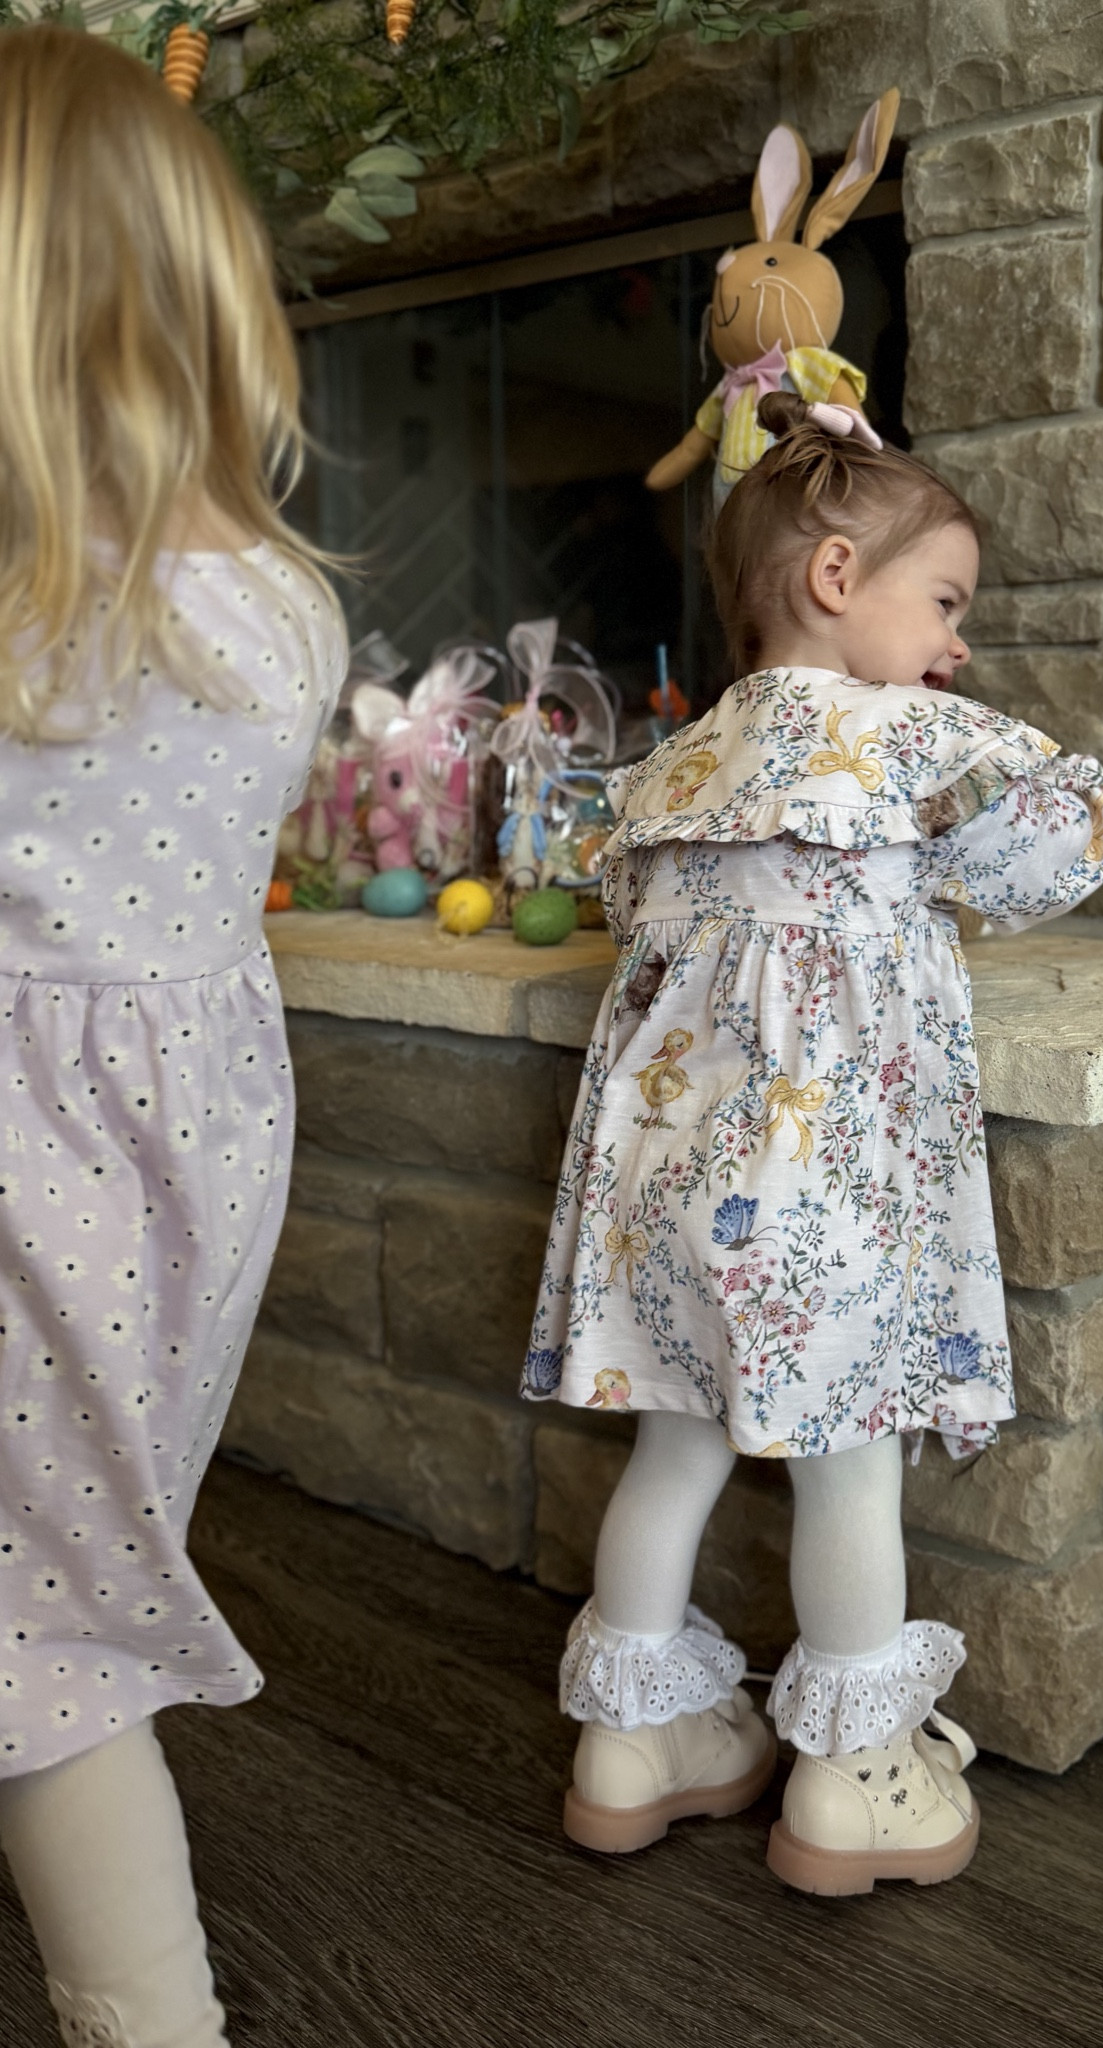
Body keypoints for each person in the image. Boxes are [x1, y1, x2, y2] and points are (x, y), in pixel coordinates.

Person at [523, 391, 1103, 1895]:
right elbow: (1068, 844)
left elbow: (624, 917)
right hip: (824, 1203)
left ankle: (632, 1743)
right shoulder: (912, 735)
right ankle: (851, 1784)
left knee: (674, 1448)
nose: (959, 641)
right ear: (840, 579)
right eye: (947, 600)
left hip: (660, 1195)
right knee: (850, 1466)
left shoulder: (671, 768)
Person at [0, 26, 347, 2045]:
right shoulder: (285, 602)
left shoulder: (44, 606)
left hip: (29, 1137)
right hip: (193, 1145)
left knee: (38, 1637)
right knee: (64, 1555)